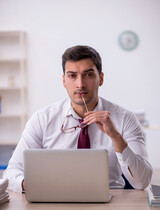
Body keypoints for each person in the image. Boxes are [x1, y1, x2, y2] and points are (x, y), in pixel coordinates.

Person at [3, 45, 152, 192]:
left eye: (88, 74)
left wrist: (115, 136)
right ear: (64, 81)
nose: (80, 84)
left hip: (110, 203)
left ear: (100, 78)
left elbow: (142, 182)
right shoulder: (42, 119)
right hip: (55, 202)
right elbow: (12, 172)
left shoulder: (125, 119)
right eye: (72, 76)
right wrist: (31, 185)